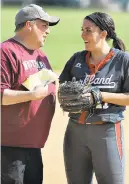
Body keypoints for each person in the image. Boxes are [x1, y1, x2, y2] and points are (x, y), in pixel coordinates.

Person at [59, 12, 129, 184]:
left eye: (88, 30)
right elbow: (61, 88)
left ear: (103, 34)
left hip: (106, 133)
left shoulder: (123, 61)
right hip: (75, 132)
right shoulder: (76, 59)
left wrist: (99, 96)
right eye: (82, 30)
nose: (83, 34)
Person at [1, 4, 60, 184]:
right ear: (29, 25)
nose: (48, 31)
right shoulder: (6, 52)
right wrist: (31, 96)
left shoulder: (40, 55)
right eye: (44, 25)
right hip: (11, 145)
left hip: (33, 144)